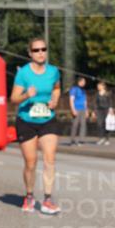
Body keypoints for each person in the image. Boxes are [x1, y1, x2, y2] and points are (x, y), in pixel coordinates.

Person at [10, 37, 62, 214]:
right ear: (30, 53)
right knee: (31, 163)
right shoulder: (24, 73)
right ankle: (30, 195)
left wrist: (55, 100)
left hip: (48, 119)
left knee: (50, 159)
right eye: (36, 50)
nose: (40, 53)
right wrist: (26, 95)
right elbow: (13, 98)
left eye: (43, 49)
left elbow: (56, 88)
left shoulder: (53, 71)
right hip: (26, 120)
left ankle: (47, 199)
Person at [68, 76, 88, 145]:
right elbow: (71, 100)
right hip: (76, 108)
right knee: (75, 124)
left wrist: (86, 110)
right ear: (79, 82)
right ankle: (72, 140)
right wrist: (73, 109)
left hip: (83, 109)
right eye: (83, 81)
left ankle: (81, 140)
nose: (84, 83)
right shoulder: (74, 89)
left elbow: (85, 101)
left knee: (83, 124)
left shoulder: (83, 90)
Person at [94, 80, 113, 145]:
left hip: (106, 110)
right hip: (99, 110)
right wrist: (94, 111)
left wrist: (110, 109)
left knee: (106, 124)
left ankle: (107, 139)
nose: (98, 87)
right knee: (99, 124)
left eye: (99, 86)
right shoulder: (97, 94)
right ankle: (101, 138)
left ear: (103, 86)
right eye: (97, 86)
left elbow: (110, 102)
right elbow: (95, 103)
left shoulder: (107, 93)